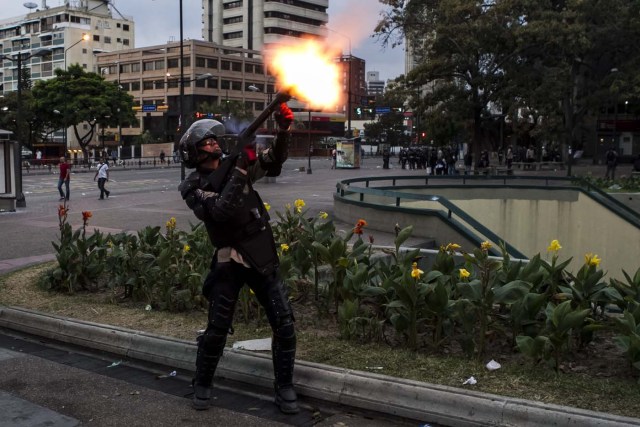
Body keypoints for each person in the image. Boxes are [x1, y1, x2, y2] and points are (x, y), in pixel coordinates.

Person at [178, 102, 299, 414]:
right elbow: (220, 211)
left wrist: (283, 130)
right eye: (207, 141)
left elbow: (274, 159)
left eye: (215, 139)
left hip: (260, 254)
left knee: (284, 324)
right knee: (217, 330)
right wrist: (241, 167)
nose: (215, 143)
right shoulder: (192, 186)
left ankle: (284, 386)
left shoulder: (235, 168)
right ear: (194, 151)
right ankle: (202, 383)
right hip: (227, 262)